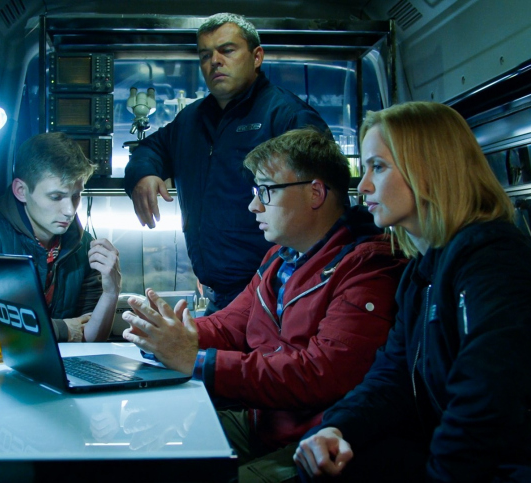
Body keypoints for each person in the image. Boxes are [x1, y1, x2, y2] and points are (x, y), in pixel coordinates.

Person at [294, 102, 531, 482]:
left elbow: (486, 401)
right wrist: (336, 428)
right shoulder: (421, 274)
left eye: (378, 167)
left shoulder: (493, 261)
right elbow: (393, 376)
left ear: (428, 170)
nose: (363, 186)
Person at [122, 128, 407, 482]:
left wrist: (196, 360)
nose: (254, 205)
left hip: (309, 441)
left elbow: (320, 374)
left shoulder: (367, 266)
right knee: (143, 446)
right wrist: (167, 333)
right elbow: (231, 324)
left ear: (315, 193)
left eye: (266, 191)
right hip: (262, 424)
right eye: (256, 192)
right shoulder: (278, 259)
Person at [124, 12, 332, 314]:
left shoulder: (287, 116)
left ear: (257, 57)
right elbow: (149, 149)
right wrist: (143, 174)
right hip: (218, 297)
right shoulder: (191, 120)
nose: (215, 61)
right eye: (205, 55)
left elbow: (327, 205)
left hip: (275, 295)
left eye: (227, 50)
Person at [0, 132, 120, 343]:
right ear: (21, 191)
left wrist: (111, 293)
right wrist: (63, 329)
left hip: (67, 362)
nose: (70, 210)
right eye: (56, 197)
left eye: (76, 196)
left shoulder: (84, 244)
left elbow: (91, 337)